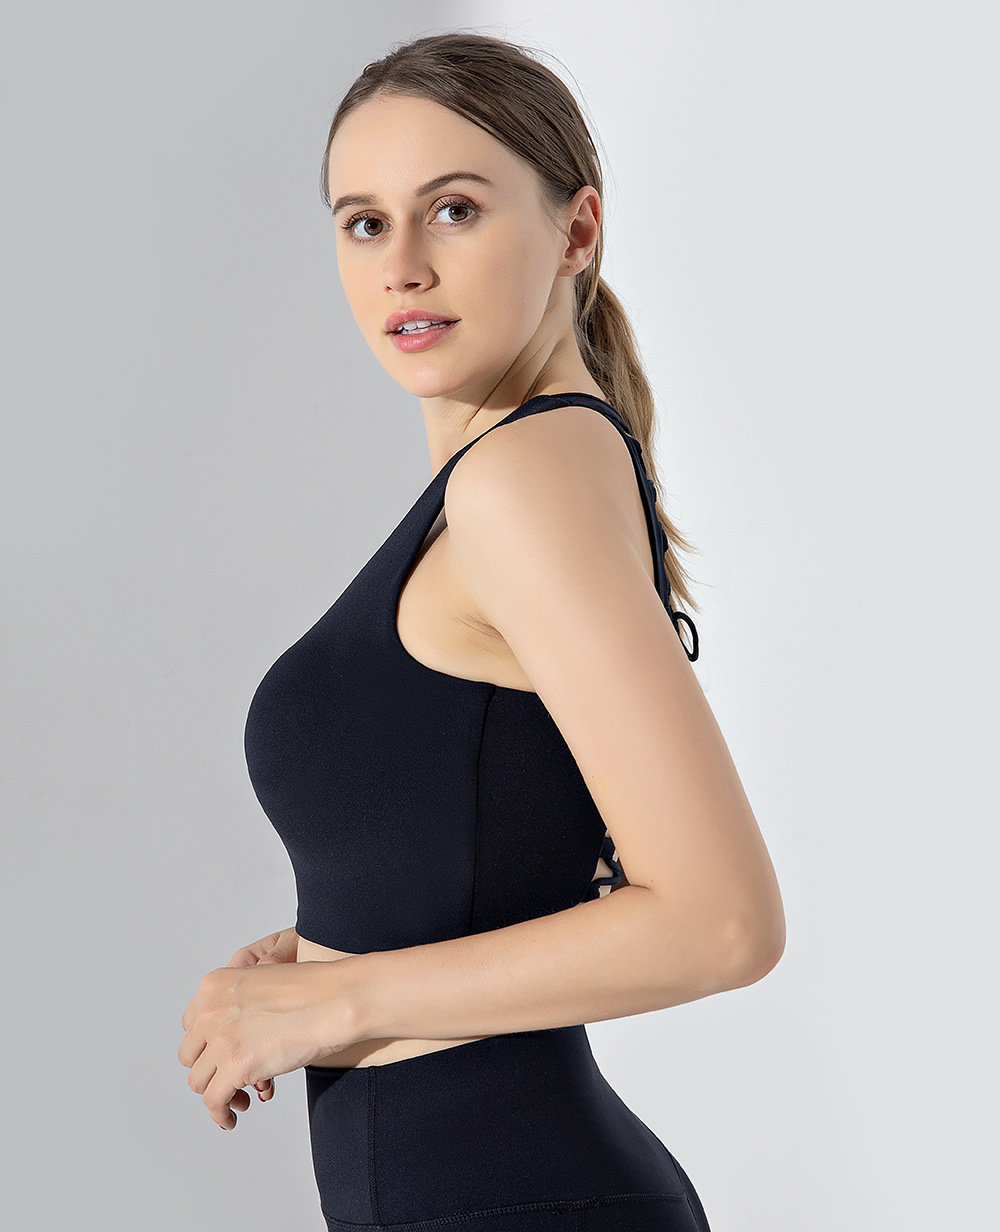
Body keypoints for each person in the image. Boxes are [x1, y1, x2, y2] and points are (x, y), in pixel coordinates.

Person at [178, 30, 785, 1232]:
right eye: (364, 223)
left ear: (575, 231)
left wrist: (339, 1001)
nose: (402, 266)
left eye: (452, 210)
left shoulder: (522, 476)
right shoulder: (520, 472)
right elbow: (519, 844)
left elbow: (721, 919)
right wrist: (330, 950)